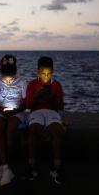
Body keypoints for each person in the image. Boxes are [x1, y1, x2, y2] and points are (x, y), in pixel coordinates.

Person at [0, 54, 27, 186]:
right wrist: (0, 108)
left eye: (11, 78)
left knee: (10, 130)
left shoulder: (21, 82)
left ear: (15, 72)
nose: (8, 80)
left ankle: (6, 164)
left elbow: (26, 103)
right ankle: (5, 166)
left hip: (16, 112)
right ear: (1, 72)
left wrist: (16, 110)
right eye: (5, 77)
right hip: (0, 110)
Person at [25, 56, 65, 184]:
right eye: (43, 73)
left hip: (52, 112)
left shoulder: (57, 85)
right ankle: (31, 165)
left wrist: (52, 98)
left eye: (48, 73)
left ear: (52, 71)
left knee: (56, 130)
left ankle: (57, 167)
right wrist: (36, 96)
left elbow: (60, 107)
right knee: (33, 129)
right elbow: (28, 105)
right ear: (38, 71)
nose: (46, 76)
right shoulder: (32, 84)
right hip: (36, 111)